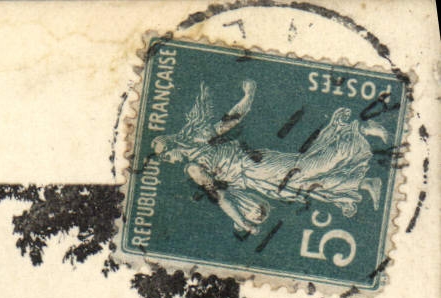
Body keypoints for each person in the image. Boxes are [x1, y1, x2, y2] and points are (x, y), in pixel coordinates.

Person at [153, 80, 388, 237]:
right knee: (302, 187)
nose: (169, 161)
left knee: (306, 169)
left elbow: (221, 197)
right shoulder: (200, 140)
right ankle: (364, 183)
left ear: (172, 147)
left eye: (165, 157)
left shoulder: (194, 167)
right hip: (254, 176)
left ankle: (360, 129)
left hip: (254, 167)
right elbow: (233, 118)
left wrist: (243, 223)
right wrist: (249, 94)